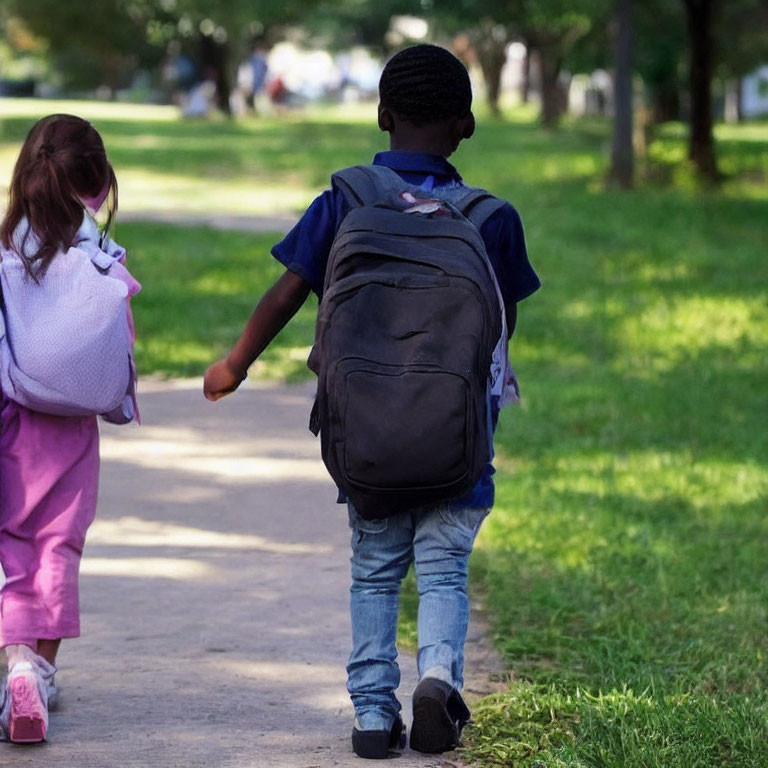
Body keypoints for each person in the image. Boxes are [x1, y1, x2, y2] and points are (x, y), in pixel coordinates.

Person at [203, 44, 540, 758]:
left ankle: (371, 714)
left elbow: (289, 291)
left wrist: (235, 364)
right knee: (444, 567)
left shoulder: (345, 201)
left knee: (375, 566)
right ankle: (440, 679)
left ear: (382, 115)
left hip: (367, 438)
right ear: (466, 126)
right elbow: (500, 328)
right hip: (459, 437)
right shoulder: (492, 217)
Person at [0, 114, 140, 744]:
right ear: (96, 182)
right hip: (70, 429)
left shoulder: (6, 250)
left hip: (9, 419)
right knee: (58, 545)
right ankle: (40, 672)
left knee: (12, 549)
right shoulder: (94, 255)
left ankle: (12, 665)